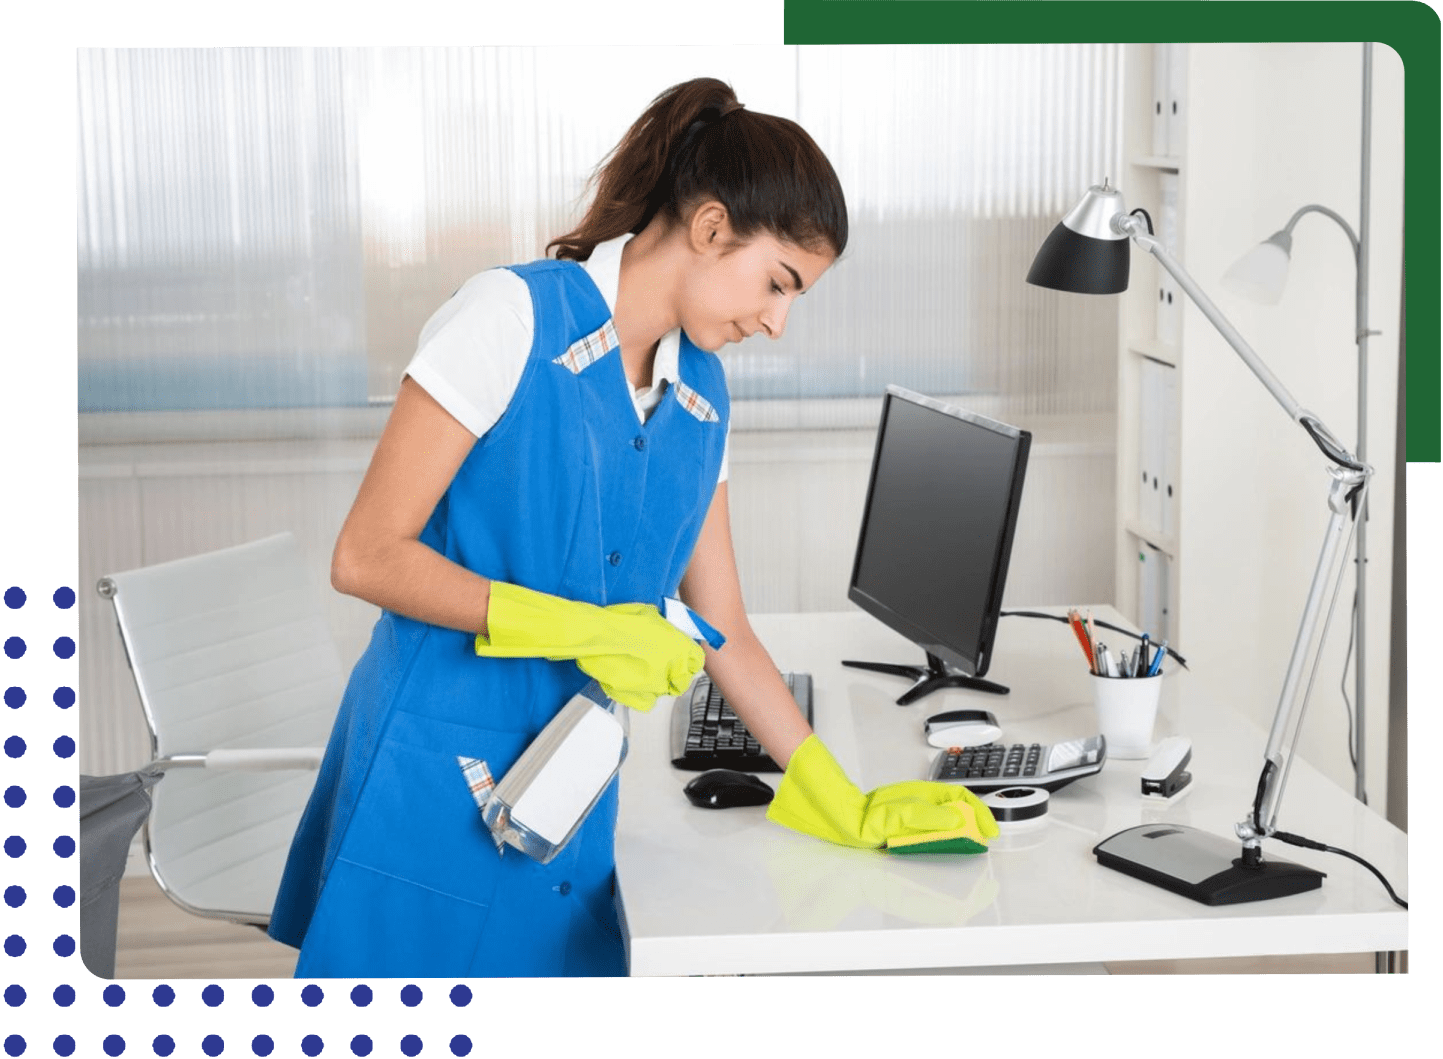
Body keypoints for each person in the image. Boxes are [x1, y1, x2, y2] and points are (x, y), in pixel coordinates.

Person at [268, 76, 997, 979]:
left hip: (568, 788)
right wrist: (581, 627)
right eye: (777, 282)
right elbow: (366, 555)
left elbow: (721, 617)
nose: (776, 321)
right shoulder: (510, 317)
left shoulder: (701, 395)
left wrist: (832, 793)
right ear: (708, 227)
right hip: (431, 769)